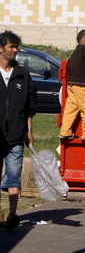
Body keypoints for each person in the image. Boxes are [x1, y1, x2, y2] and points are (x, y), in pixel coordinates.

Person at [0, 30, 37, 229]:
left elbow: (30, 105)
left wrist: (29, 129)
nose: (15, 50)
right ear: (0, 49)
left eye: (16, 47)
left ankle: (13, 215)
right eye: (11, 47)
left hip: (16, 134)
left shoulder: (23, 74)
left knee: (14, 174)